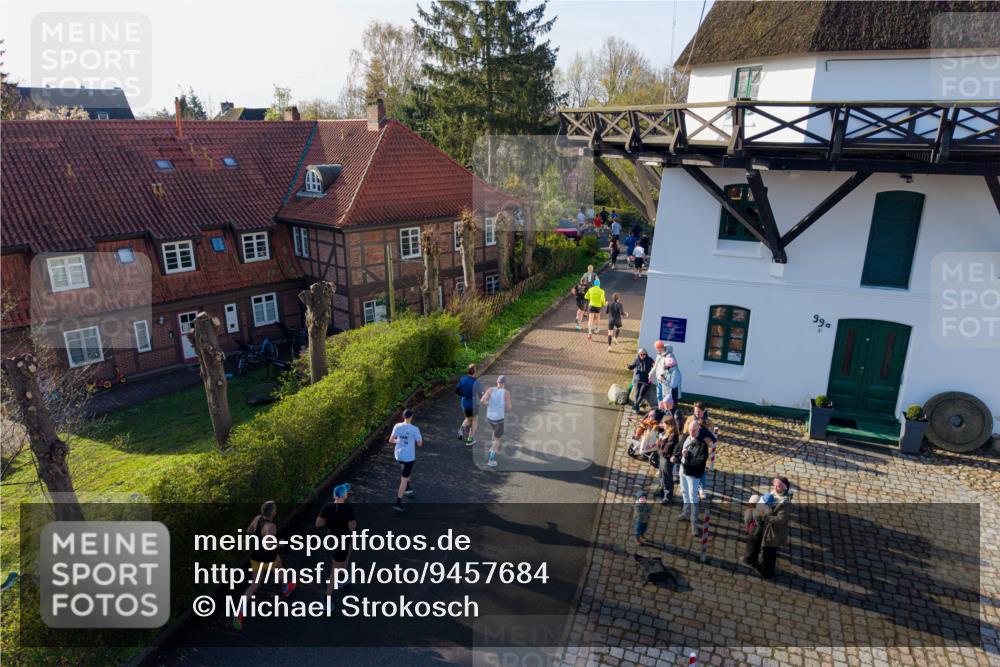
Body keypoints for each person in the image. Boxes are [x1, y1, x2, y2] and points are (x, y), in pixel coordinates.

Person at [234, 501, 294, 629]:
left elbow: (249, 531)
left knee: (255, 583)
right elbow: (268, 545)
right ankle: (286, 589)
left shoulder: (257, 518)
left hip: (255, 556)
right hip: (269, 558)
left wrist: (259, 539)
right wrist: (280, 543)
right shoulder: (271, 526)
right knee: (280, 571)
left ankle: (239, 611)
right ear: (273, 512)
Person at [743, 477, 792, 578]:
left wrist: (766, 518)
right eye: (775, 485)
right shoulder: (773, 493)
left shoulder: (785, 503)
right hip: (761, 524)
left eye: (778, 486)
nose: (775, 488)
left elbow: (781, 519)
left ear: (784, 488)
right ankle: (750, 559)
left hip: (772, 530)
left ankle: (766, 572)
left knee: (769, 551)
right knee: (753, 540)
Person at [315, 483, 356, 597]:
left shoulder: (327, 506)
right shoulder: (348, 509)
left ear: (334, 495)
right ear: (344, 496)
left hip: (332, 539)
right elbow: (352, 527)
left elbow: (318, 523)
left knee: (346, 553)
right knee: (335, 571)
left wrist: (330, 520)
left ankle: (342, 578)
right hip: (343, 541)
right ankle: (326, 599)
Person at [677, 421, 709, 537]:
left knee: (693, 498)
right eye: (690, 429)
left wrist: (687, 455)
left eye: (694, 430)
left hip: (692, 475)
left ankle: (694, 524)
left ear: (698, 430)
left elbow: (699, 462)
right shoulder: (686, 436)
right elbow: (679, 447)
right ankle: (686, 513)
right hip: (682, 470)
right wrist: (676, 455)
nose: (692, 432)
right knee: (684, 492)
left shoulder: (702, 445)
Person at [389, 408, 422, 512]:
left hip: (398, 455)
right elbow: (419, 444)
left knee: (405, 468)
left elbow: (391, 440)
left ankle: (408, 486)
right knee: (403, 479)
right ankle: (398, 503)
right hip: (408, 457)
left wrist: (399, 440)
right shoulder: (414, 429)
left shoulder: (397, 426)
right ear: (411, 417)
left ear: (403, 416)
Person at [481, 375, 512, 467]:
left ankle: (493, 443)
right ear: (504, 383)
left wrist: (488, 404)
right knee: (498, 440)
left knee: (494, 429)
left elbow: (482, 400)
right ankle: (491, 459)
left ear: (497, 382)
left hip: (489, 417)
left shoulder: (490, 389)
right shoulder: (506, 393)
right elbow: (509, 407)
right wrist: (504, 407)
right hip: (499, 419)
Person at [455, 364, 482, 447]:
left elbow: (457, 391)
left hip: (464, 403)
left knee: (468, 419)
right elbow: (481, 395)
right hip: (473, 404)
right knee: (475, 421)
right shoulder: (476, 382)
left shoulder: (463, 379)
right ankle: (470, 440)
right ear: (475, 372)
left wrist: (464, 394)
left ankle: (461, 429)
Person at [657, 412, 681, 505]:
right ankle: (662, 491)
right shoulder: (667, 432)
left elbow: (667, 449)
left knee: (667, 478)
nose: (663, 425)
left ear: (669, 424)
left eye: (664, 424)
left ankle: (668, 497)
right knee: (661, 475)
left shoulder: (673, 435)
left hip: (666, 459)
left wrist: (660, 444)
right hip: (662, 457)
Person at [627, 348, 654, 412]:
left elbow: (655, 367)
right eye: (641, 354)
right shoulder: (636, 359)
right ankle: (637, 406)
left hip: (646, 380)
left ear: (646, 354)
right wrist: (629, 367)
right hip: (638, 379)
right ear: (639, 354)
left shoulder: (650, 360)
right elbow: (632, 366)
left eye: (644, 354)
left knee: (642, 392)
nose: (642, 356)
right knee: (637, 392)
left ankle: (636, 405)